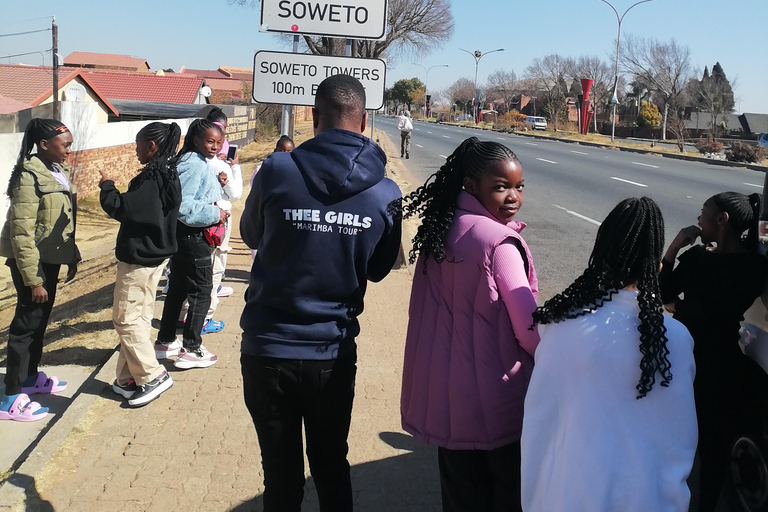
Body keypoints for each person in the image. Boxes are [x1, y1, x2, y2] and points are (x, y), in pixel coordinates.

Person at [240, 74, 402, 512]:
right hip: (331, 353)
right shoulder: (386, 193)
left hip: (266, 349)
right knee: (331, 464)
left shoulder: (276, 169)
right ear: (365, 121)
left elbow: (251, 234)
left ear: (313, 117)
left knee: (279, 472)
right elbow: (380, 268)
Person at [521, 197, 697, 512]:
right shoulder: (676, 340)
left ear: (601, 251)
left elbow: (539, 425)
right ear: (655, 263)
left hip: (566, 498)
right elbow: (678, 441)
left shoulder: (560, 326)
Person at [400, 137, 539, 512]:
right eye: (501, 187)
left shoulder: (439, 228)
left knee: (460, 499)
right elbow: (530, 331)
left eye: (518, 187)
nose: (513, 196)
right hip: (497, 402)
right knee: (508, 498)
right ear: (470, 185)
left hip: (444, 399)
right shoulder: (500, 244)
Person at [660, 192, 768, 512]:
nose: (698, 219)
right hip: (686, 360)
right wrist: (675, 247)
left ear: (722, 220)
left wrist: (678, 306)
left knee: (711, 446)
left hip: (716, 366)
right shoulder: (697, 257)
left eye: (704, 213)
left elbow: (715, 310)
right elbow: (662, 292)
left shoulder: (752, 265)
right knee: (679, 441)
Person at [0, 119, 80, 422]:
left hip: (50, 259)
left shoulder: (58, 171)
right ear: (44, 145)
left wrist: (70, 256)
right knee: (24, 328)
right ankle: (10, 398)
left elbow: (64, 218)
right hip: (30, 264)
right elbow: (21, 234)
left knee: (40, 322)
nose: (70, 151)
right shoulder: (28, 176)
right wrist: (33, 280)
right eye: (66, 145)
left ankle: (31, 379)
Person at [99, 122, 182, 407]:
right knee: (139, 318)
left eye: (137, 144)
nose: (135, 150)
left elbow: (121, 207)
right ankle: (127, 378)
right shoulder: (168, 174)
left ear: (152, 146)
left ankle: (152, 375)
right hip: (154, 259)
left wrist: (107, 186)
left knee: (125, 319)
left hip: (139, 261)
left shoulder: (152, 179)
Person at [153, 119, 227, 369]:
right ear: (195, 139)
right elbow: (184, 208)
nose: (215, 146)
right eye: (209, 141)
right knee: (202, 291)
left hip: (185, 237)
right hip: (192, 238)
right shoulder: (193, 165)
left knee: (178, 289)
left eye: (219, 142)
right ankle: (192, 348)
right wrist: (216, 214)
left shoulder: (192, 162)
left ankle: (165, 340)